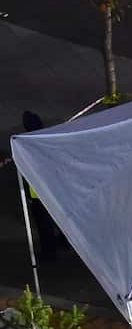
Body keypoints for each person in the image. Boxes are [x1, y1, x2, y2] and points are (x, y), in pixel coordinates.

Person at [19, 111, 60, 262]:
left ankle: (49, 254)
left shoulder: (27, 144)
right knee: (54, 222)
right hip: (50, 191)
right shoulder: (46, 140)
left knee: (44, 226)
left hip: (37, 194)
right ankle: (59, 244)